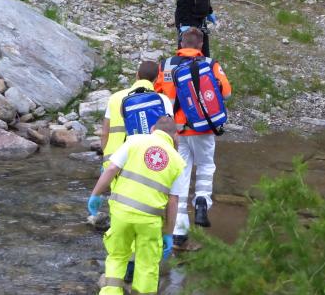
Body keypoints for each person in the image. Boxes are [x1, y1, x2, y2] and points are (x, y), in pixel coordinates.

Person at [88, 116, 186, 295]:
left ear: (153, 128)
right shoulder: (178, 161)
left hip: (122, 214)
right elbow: (173, 201)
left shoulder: (134, 141)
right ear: (175, 135)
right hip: (150, 221)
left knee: (117, 257)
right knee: (147, 265)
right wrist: (169, 233)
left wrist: (95, 195)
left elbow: (110, 169)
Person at [155, 27, 232, 249]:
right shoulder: (210, 64)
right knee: (206, 166)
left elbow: (158, 94)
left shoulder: (166, 65)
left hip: (176, 132)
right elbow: (226, 93)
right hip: (203, 128)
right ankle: (202, 200)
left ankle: (179, 232)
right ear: (200, 45)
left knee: (180, 176)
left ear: (180, 43)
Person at [101, 61, 174, 172]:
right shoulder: (162, 100)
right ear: (157, 78)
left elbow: (104, 133)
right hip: (149, 161)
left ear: (137, 75)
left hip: (114, 161)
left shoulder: (115, 98)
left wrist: (105, 156)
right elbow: (170, 134)